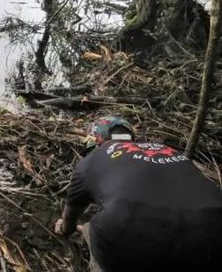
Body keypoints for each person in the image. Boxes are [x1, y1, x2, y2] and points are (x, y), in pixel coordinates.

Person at [54, 116, 222, 272]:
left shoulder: (90, 161)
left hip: (132, 232)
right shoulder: (166, 149)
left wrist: (64, 228)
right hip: (213, 228)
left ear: (94, 141)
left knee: (91, 227)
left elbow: (70, 219)